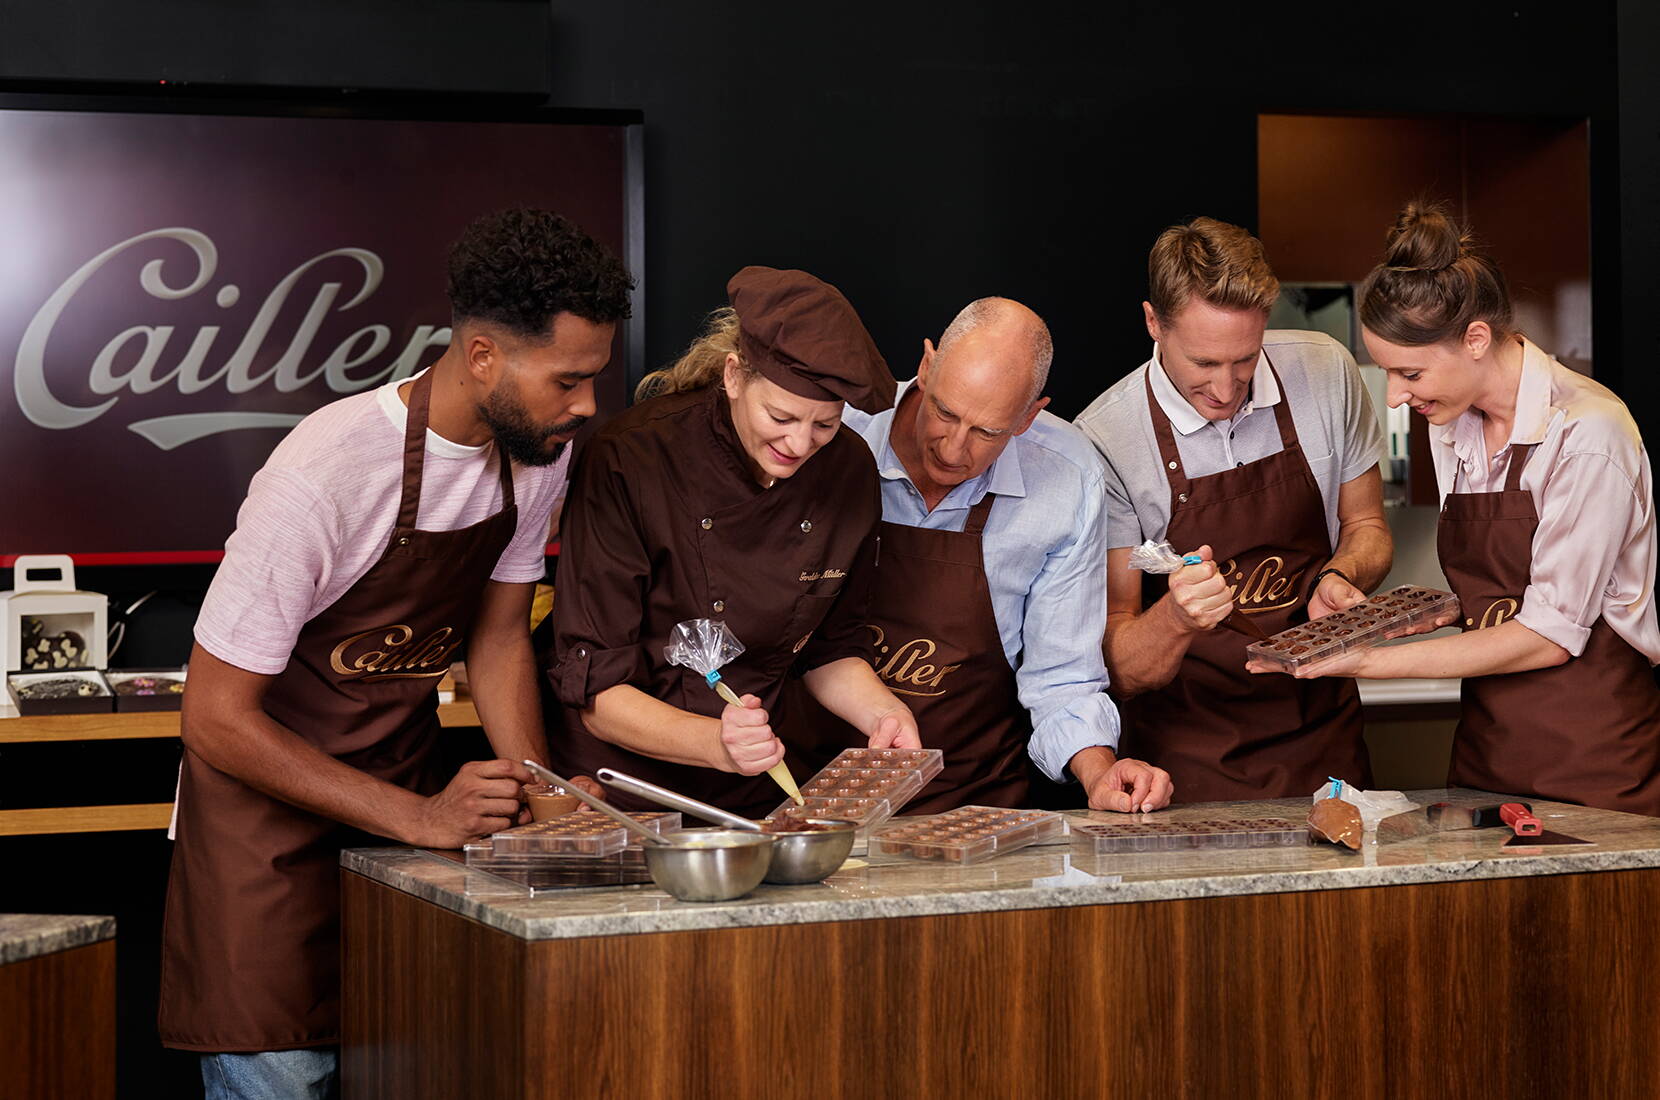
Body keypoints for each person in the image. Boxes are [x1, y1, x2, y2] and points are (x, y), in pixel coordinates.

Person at [160, 208, 633, 1097]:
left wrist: (543, 790)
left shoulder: (535, 459)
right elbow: (214, 720)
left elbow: (497, 638)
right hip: (263, 849)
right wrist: (418, 818)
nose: (587, 407)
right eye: (568, 380)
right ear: (485, 356)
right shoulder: (324, 473)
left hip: (399, 833)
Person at [1259, 201, 1660, 814]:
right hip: (1486, 757)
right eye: (1387, 373)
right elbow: (1509, 587)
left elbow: (1551, 635)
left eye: (1410, 372)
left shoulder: (1586, 433)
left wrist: (1369, 659)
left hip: (1594, 761)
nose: (1395, 396)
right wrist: (1425, 611)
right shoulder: (1452, 425)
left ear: (1475, 338)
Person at [545, 267, 922, 818]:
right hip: (625, 791)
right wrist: (716, 744)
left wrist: (884, 715)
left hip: (759, 782)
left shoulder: (848, 471)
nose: (799, 444)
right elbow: (598, 692)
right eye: (781, 416)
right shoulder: (631, 459)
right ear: (733, 376)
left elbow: (831, 650)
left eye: (824, 425)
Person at [1074, 217, 1391, 802]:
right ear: (1152, 323)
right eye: (1203, 364)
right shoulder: (1104, 440)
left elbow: (1367, 527)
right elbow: (1119, 661)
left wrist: (1341, 578)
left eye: (1244, 359)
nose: (1226, 388)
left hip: (1325, 740)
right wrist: (1176, 617)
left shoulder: (1325, 373)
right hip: (1186, 761)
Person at [821, 297, 1172, 813]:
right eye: (944, 412)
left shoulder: (1067, 476)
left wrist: (1100, 773)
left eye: (987, 432)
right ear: (925, 366)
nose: (952, 448)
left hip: (970, 805)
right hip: (807, 796)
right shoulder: (832, 431)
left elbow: (1064, 676)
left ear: (1029, 417)